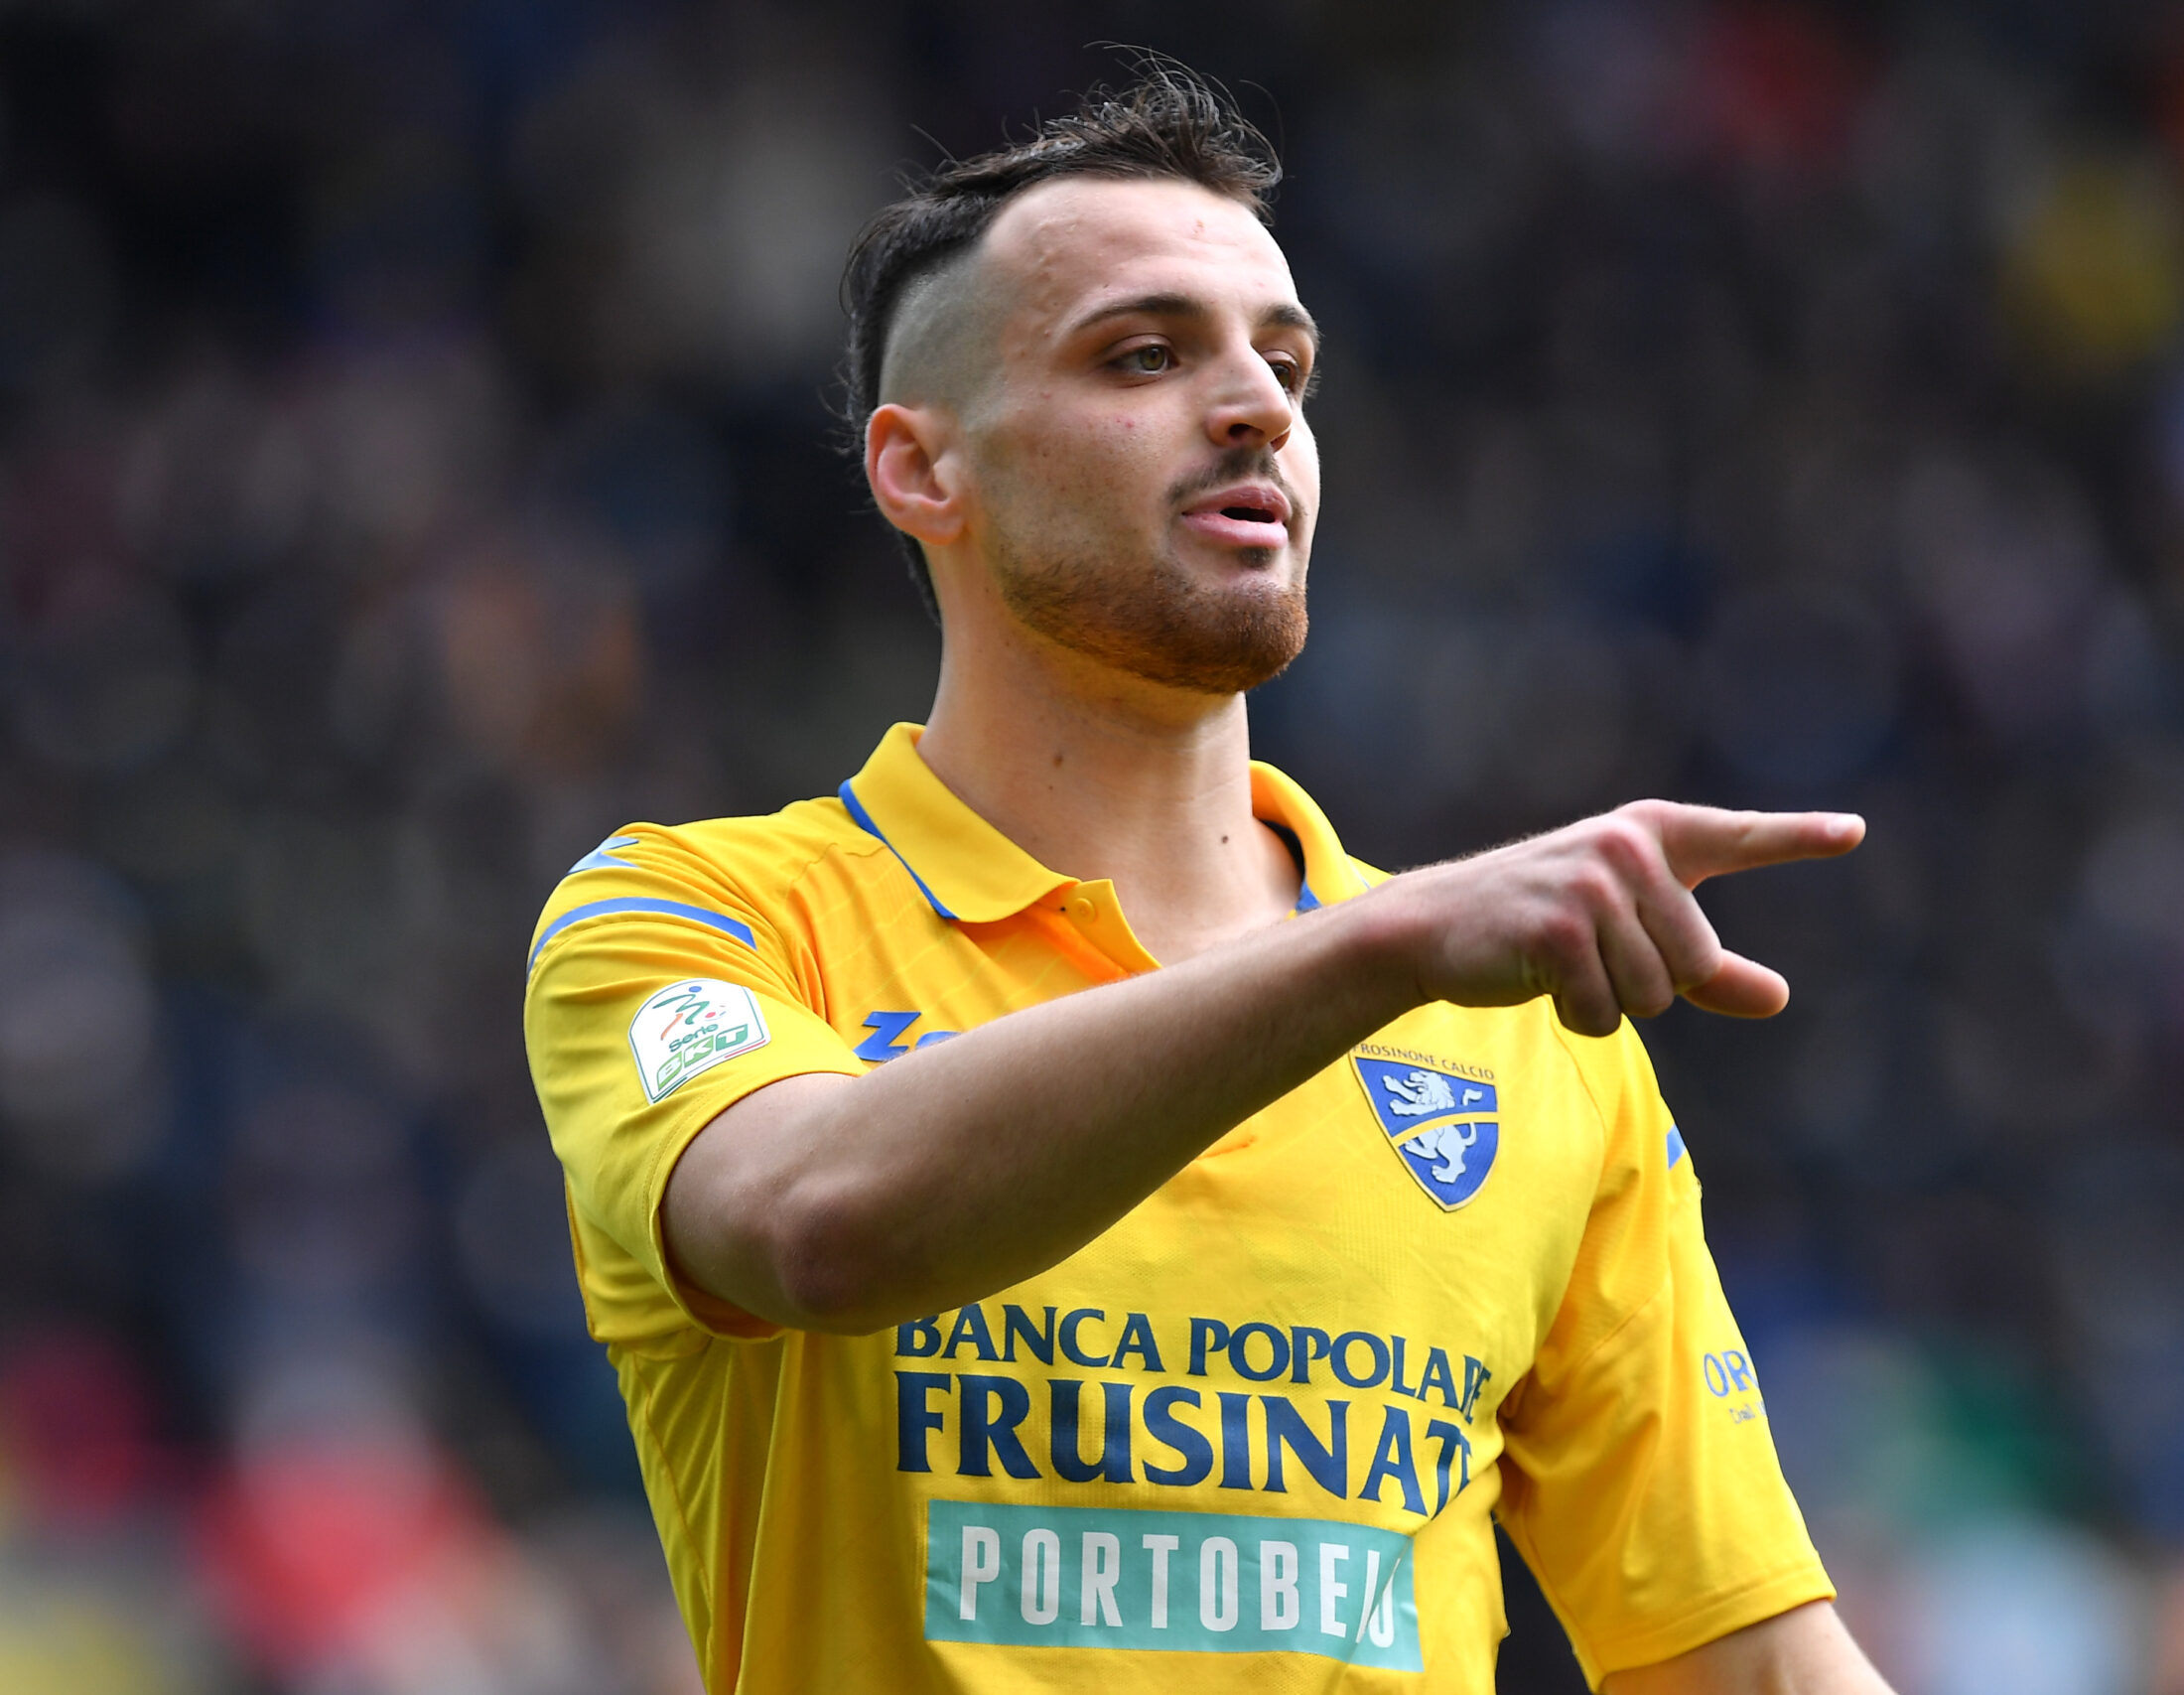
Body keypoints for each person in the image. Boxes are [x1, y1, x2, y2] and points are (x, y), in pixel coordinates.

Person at [524, 65, 1892, 1695]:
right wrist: (1378, 950)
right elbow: (818, 1225)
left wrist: (1393, 948)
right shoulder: (698, 917)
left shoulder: (1533, 1047)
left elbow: (1745, 1664)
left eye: (1285, 363)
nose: (1255, 406)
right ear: (922, 470)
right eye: (1144, 355)